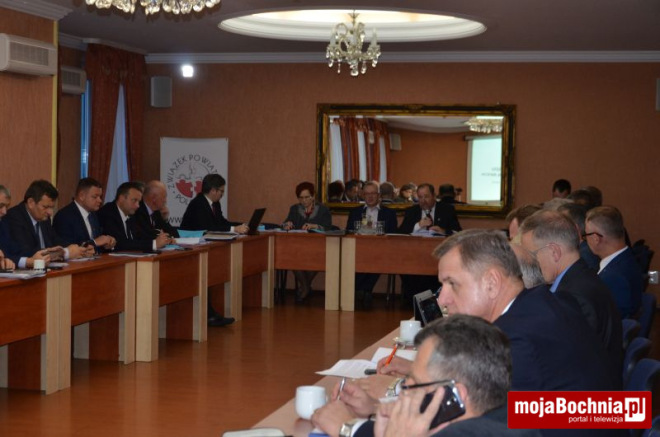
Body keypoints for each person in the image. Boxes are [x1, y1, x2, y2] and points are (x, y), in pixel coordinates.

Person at [378, 230, 621, 437]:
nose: (442, 299)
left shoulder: (516, 340)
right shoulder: (540, 305)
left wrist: (377, 418)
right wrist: (419, 373)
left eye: (452, 283)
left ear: (492, 283)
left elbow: (474, 426)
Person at [312, 315, 541, 437]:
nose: (403, 394)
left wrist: (347, 429)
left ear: (455, 397)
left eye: (414, 386)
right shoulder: (510, 413)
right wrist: (375, 409)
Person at [518, 210, 623, 384]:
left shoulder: (576, 297)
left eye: (531, 256)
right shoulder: (579, 280)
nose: (530, 264)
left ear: (554, 252)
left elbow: (565, 365)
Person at [398, 183, 461, 305]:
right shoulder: (412, 211)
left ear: (434, 196)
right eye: (420, 197)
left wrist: (444, 231)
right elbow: (400, 233)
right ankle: (416, 301)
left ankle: (431, 301)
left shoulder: (447, 210)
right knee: (406, 268)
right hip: (415, 255)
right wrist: (418, 226)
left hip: (438, 255)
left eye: (426, 196)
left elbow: (458, 232)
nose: (423, 200)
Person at [4, 179, 94, 265]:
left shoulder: (44, 218)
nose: (50, 212)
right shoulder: (14, 217)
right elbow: (27, 252)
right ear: (31, 202)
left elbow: (55, 240)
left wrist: (80, 249)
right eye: (46, 207)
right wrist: (65, 253)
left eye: (52, 207)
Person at [345, 181, 398, 309]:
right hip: (358, 249)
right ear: (363, 195)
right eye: (367, 194)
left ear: (379, 195)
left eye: (373, 193)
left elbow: (393, 234)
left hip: (381, 250)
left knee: (376, 258)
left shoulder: (389, 213)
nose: (370, 196)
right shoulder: (355, 212)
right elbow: (349, 231)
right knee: (356, 258)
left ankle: (362, 290)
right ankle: (364, 290)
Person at [585, 206, 642, 318]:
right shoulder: (627, 259)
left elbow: (603, 320)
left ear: (596, 239)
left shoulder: (613, 277)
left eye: (586, 234)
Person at [282, 181, 332, 303]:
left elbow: (328, 228)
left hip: (318, 246)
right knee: (291, 258)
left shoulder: (323, 210)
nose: (304, 201)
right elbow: (284, 223)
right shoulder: (294, 209)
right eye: (301, 198)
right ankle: (306, 287)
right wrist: (287, 225)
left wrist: (315, 226)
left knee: (318, 258)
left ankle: (304, 288)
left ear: (313, 196)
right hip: (298, 246)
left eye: (307, 197)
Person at [97, 182, 172, 252]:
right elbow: (120, 243)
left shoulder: (131, 215)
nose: (138, 205)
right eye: (134, 200)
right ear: (121, 198)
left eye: (139, 201)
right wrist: (154, 244)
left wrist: (162, 240)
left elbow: (141, 236)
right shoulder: (108, 213)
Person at [52, 177, 116, 252]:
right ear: (82, 196)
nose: (100, 200)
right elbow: (66, 248)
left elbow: (98, 245)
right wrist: (95, 242)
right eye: (95, 197)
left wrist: (108, 243)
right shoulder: (64, 216)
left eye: (100, 197)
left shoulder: (93, 215)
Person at [179, 173, 249, 234]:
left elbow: (221, 222)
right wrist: (234, 229)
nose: (222, 194)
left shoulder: (215, 203)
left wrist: (242, 225)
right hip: (190, 241)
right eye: (221, 191)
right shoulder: (197, 203)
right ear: (213, 190)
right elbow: (207, 229)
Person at [557, 202, 600, 270]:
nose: (555, 228)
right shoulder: (581, 251)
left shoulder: (584, 256)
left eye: (561, 224)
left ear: (575, 228)